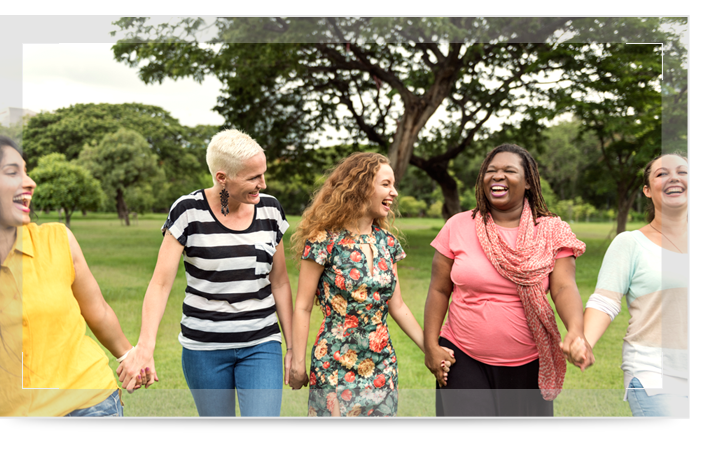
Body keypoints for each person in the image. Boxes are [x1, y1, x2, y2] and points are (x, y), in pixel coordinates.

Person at [117, 129, 293, 417]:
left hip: (261, 343)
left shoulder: (271, 211)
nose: (263, 183)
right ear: (222, 177)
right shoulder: (188, 212)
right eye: (253, 177)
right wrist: (144, 348)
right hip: (204, 349)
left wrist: (293, 349)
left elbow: (281, 282)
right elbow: (160, 284)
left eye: (263, 174)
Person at [423, 143, 593, 417]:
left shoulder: (551, 231)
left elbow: (563, 287)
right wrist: (431, 345)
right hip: (462, 356)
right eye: (491, 171)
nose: (497, 176)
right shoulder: (458, 225)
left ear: (528, 182)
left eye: (508, 171)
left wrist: (575, 329)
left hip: (529, 362)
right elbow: (439, 289)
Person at [288, 152, 451, 417]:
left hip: (382, 363)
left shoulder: (387, 243)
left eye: (393, 185)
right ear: (361, 187)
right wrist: (297, 363)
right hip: (334, 362)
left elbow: (397, 306)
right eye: (386, 184)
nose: (394, 192)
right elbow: (303, 306)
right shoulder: (323, 241)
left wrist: (431, 349)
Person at [0, 135, 145, 417]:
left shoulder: (57, 239)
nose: (30, 182)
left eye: (26, 171)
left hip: (89, 404)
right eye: (12, 172)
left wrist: (129, 356)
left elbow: (97, 310)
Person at [572, 153, 688, 417]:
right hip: (656, 375)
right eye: (661, 174)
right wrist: (584, 342)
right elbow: (605, 300)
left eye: (683, 172)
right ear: (647, 190)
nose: (674, 178)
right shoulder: (630, 243)